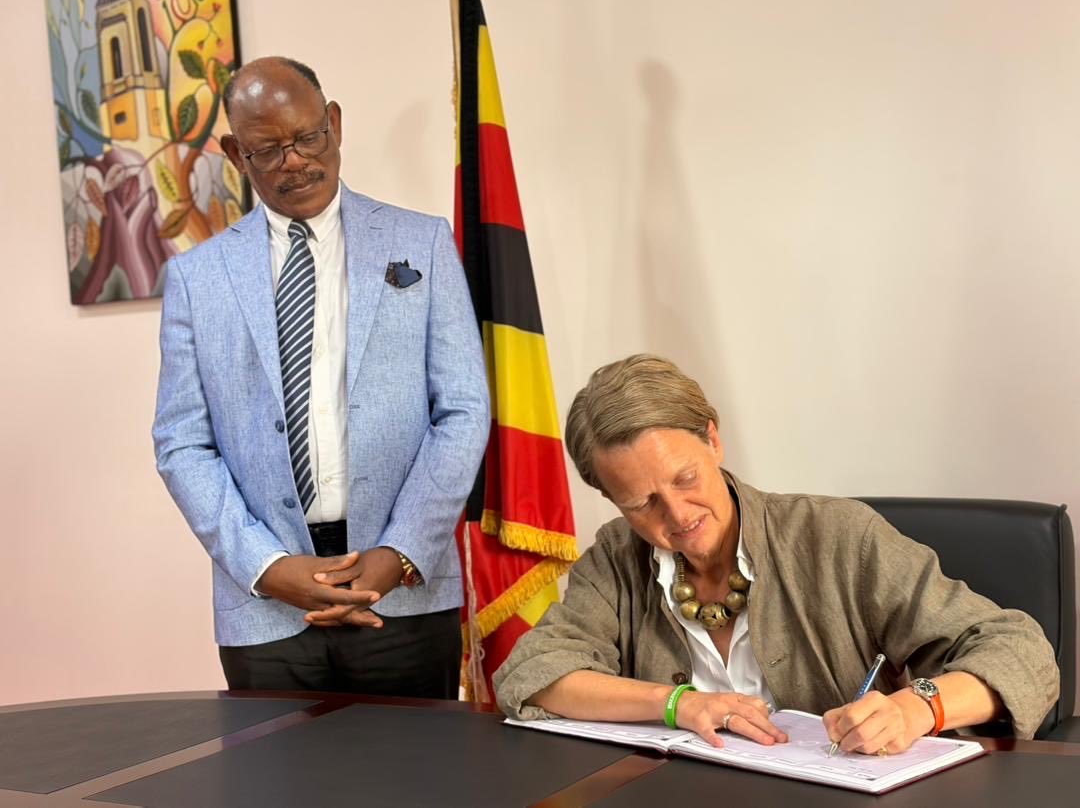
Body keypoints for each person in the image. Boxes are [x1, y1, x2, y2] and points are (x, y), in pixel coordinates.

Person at [494, 354, 1059, 753]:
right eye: (642, 503)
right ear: (612, 501)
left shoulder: (838, 535)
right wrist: (678, 704)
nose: (677, 515)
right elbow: (534, 672)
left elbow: (1020, 649)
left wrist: (919, 708)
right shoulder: (615, 557)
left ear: (713, 440)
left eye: (686, 477)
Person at [152, 57, 489, 698]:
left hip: (407, 594)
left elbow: (464, 410)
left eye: (308, 137)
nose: (295, 162)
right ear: (234, 152)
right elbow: (181, 442)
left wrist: (403, 551)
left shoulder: (421, 244)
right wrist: (267, 567)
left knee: (423, 792)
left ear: (333, 123)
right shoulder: (198, 279)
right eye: (268, 149)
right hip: (266, 607)